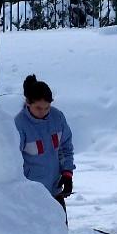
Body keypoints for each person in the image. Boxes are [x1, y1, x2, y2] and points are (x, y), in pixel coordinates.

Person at [14, 75, 75, 213]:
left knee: (60, 232)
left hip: (55, 189)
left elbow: (65, 147)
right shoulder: (19, 125)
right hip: (32, 196)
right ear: (28, 103)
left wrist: (67, 174)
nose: (43, 112)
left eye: (47, 108)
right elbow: (14, 162)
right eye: (38, 108)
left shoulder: (57, 117)